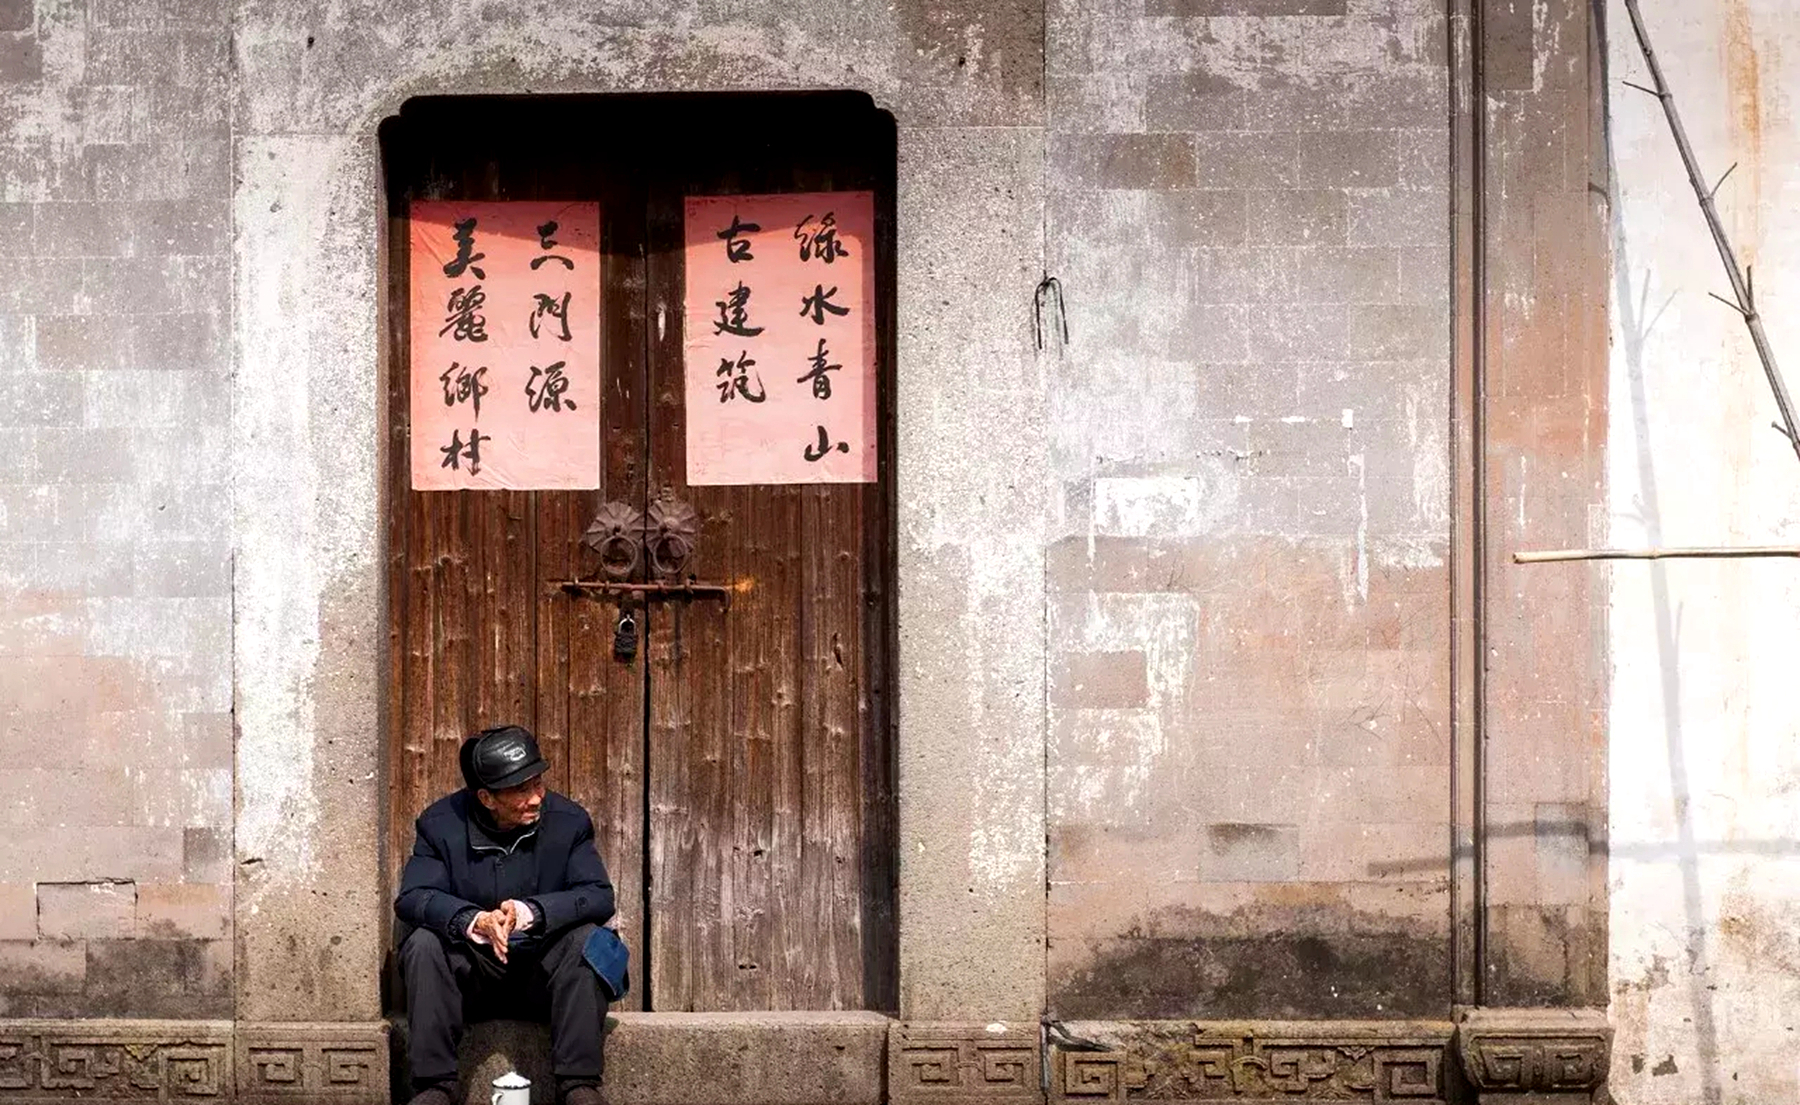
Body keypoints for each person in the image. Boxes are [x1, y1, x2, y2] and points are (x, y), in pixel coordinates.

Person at [395, 725, 615, 1105]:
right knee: (422, 943)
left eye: (538, 783)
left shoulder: (570, 821)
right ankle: (434, 1087)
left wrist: (532, 911)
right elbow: (413, 897)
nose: (536, 798)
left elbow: (598, 896)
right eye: (521, 790)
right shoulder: (438, 823)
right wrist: (471, 919)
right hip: (471, 980)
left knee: (588, 941)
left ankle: (579, 1085)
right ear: (486, 797)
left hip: (542, 978)